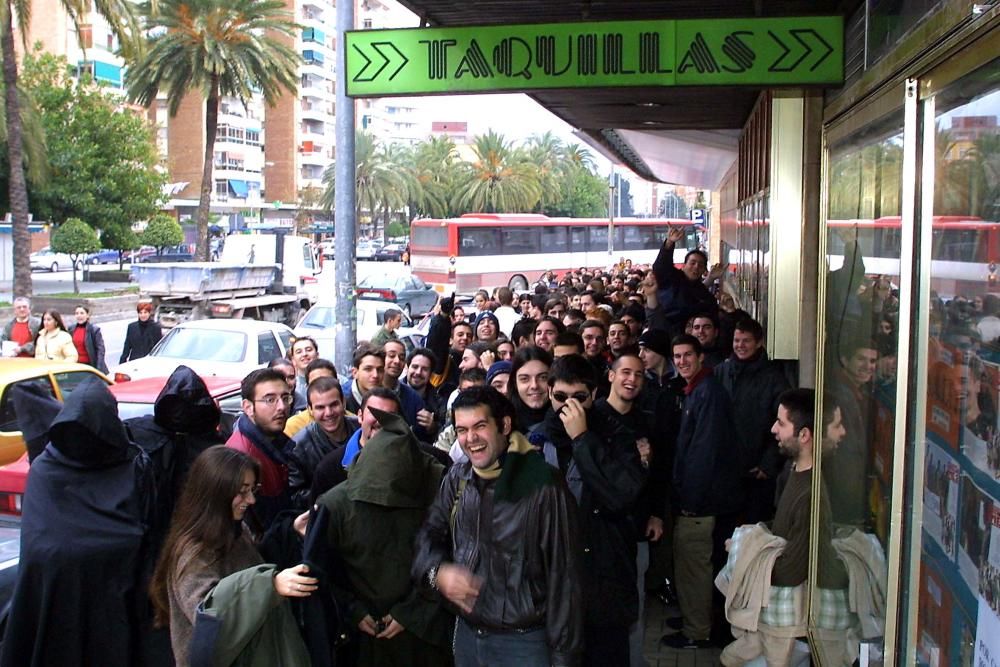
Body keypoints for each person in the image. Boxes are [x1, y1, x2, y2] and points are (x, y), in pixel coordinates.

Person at [412, 386, 584, 667]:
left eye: (480, 426)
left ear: (504, 425)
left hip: (524, 644)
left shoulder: (544, 486)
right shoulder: (458, 477)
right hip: (467, 636)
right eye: (462, 430)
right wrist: (438, 574)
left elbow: (565, 581)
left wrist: (564, 660)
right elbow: (426, 539)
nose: (471, 439)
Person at [0, 377, 154, 667]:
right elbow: (40, 542)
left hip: (110, 600)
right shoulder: (48, 470)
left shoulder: (131, 466)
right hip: (77, 597)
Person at [149, 446, 316, 666]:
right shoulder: (193, 554)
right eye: (242, 491)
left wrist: (289, 531)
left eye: (252, 490)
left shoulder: (235, 529)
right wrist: (269, 585)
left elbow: (253, 564)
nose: (251, 500)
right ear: (216, 491)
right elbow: (210, 621)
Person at [529, 354, 646, 665]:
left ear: (594, 394)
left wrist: (582, 439)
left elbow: (622, 494)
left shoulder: (615, 433)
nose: (570, 406)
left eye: (579, 397)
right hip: (552, 580)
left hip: (603, 577)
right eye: (561, 397)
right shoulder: (535, 440)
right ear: (549, 393)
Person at [316, 409, 453, 666]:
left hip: (424, 637)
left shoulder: (436, 497)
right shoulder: (335, 505)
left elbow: (442, 564)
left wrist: (413, 612)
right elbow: (322, 571)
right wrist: (352, 610)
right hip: (362, 638)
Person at [664, 334, 743, 649]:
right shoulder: (699, 391)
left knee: (694, 570)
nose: (681, 361)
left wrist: (690, 504)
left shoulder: (707, 394)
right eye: (677, 356)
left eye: (687, 355)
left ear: (700, 358)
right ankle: (692, 619)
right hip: (702, 501)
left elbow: (703, 453)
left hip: (700, 505)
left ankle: (696, 631)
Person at [714, 318, 790, 523]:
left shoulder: (774, 378)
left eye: (746, 341)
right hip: (726, 472)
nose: (740, 346)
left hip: (757, 474)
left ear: (759, 342)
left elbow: (785, 423)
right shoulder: (721, 372)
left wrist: (768, 463)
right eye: (736, 340)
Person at [226, 368, 295, 531]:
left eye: (285, 398)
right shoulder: (241, 457)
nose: (281, 407)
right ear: (248, 407)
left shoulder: (275, 442)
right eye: (270, 400)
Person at [310, 387, 402, 500]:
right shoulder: (330, 468)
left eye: (389, 415)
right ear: (360, 416)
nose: (380, 420)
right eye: (374, 412)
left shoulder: (415, 457)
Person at [288, 376, 360, 509]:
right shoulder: (298, 446)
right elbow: (295, 495)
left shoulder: (362, 429)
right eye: (320, 407)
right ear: (310, 410)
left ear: (343, 403)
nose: (328, 413)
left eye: (334, 405)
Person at [648, 228, 720, 337]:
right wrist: (670, 242)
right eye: (692, 263)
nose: (696, 267)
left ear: (704, 270)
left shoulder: (705, 295)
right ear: (684, 265)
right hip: (661, 331)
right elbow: (660, 267)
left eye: (700, 265)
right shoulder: (671, 277)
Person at [381, 338, 431, 439]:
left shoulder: (414, 399)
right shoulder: (366, 391)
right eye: (391, 356)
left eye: (402, 357)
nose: (397, 361)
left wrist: (432, 428)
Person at [509, 346, 552, 433]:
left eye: (543, 377)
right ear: (515, 382)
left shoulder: (569, 420)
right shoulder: (503, 422)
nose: (534, 385)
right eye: (525, 379)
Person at [343, 344, 387, 414]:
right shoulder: (342, 399)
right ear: (355, 373)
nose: (375, 375)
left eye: (380, 370)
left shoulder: (388, 398)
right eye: (368, 369)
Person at [67, 305, 108, 372]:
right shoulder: (71, 329)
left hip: (90, 366)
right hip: (76, 365)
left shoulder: (94, 330)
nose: (79, 316)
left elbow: (100, 350)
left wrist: (98, 368)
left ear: (87, 315)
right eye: (77, 313)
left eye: (82, 313)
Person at [289, 336, 319, 409]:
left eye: (309, 350)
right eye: (299, 352)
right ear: (293, 360)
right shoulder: (291, 386)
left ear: (317, 355)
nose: (304, 354)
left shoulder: (339, 380)